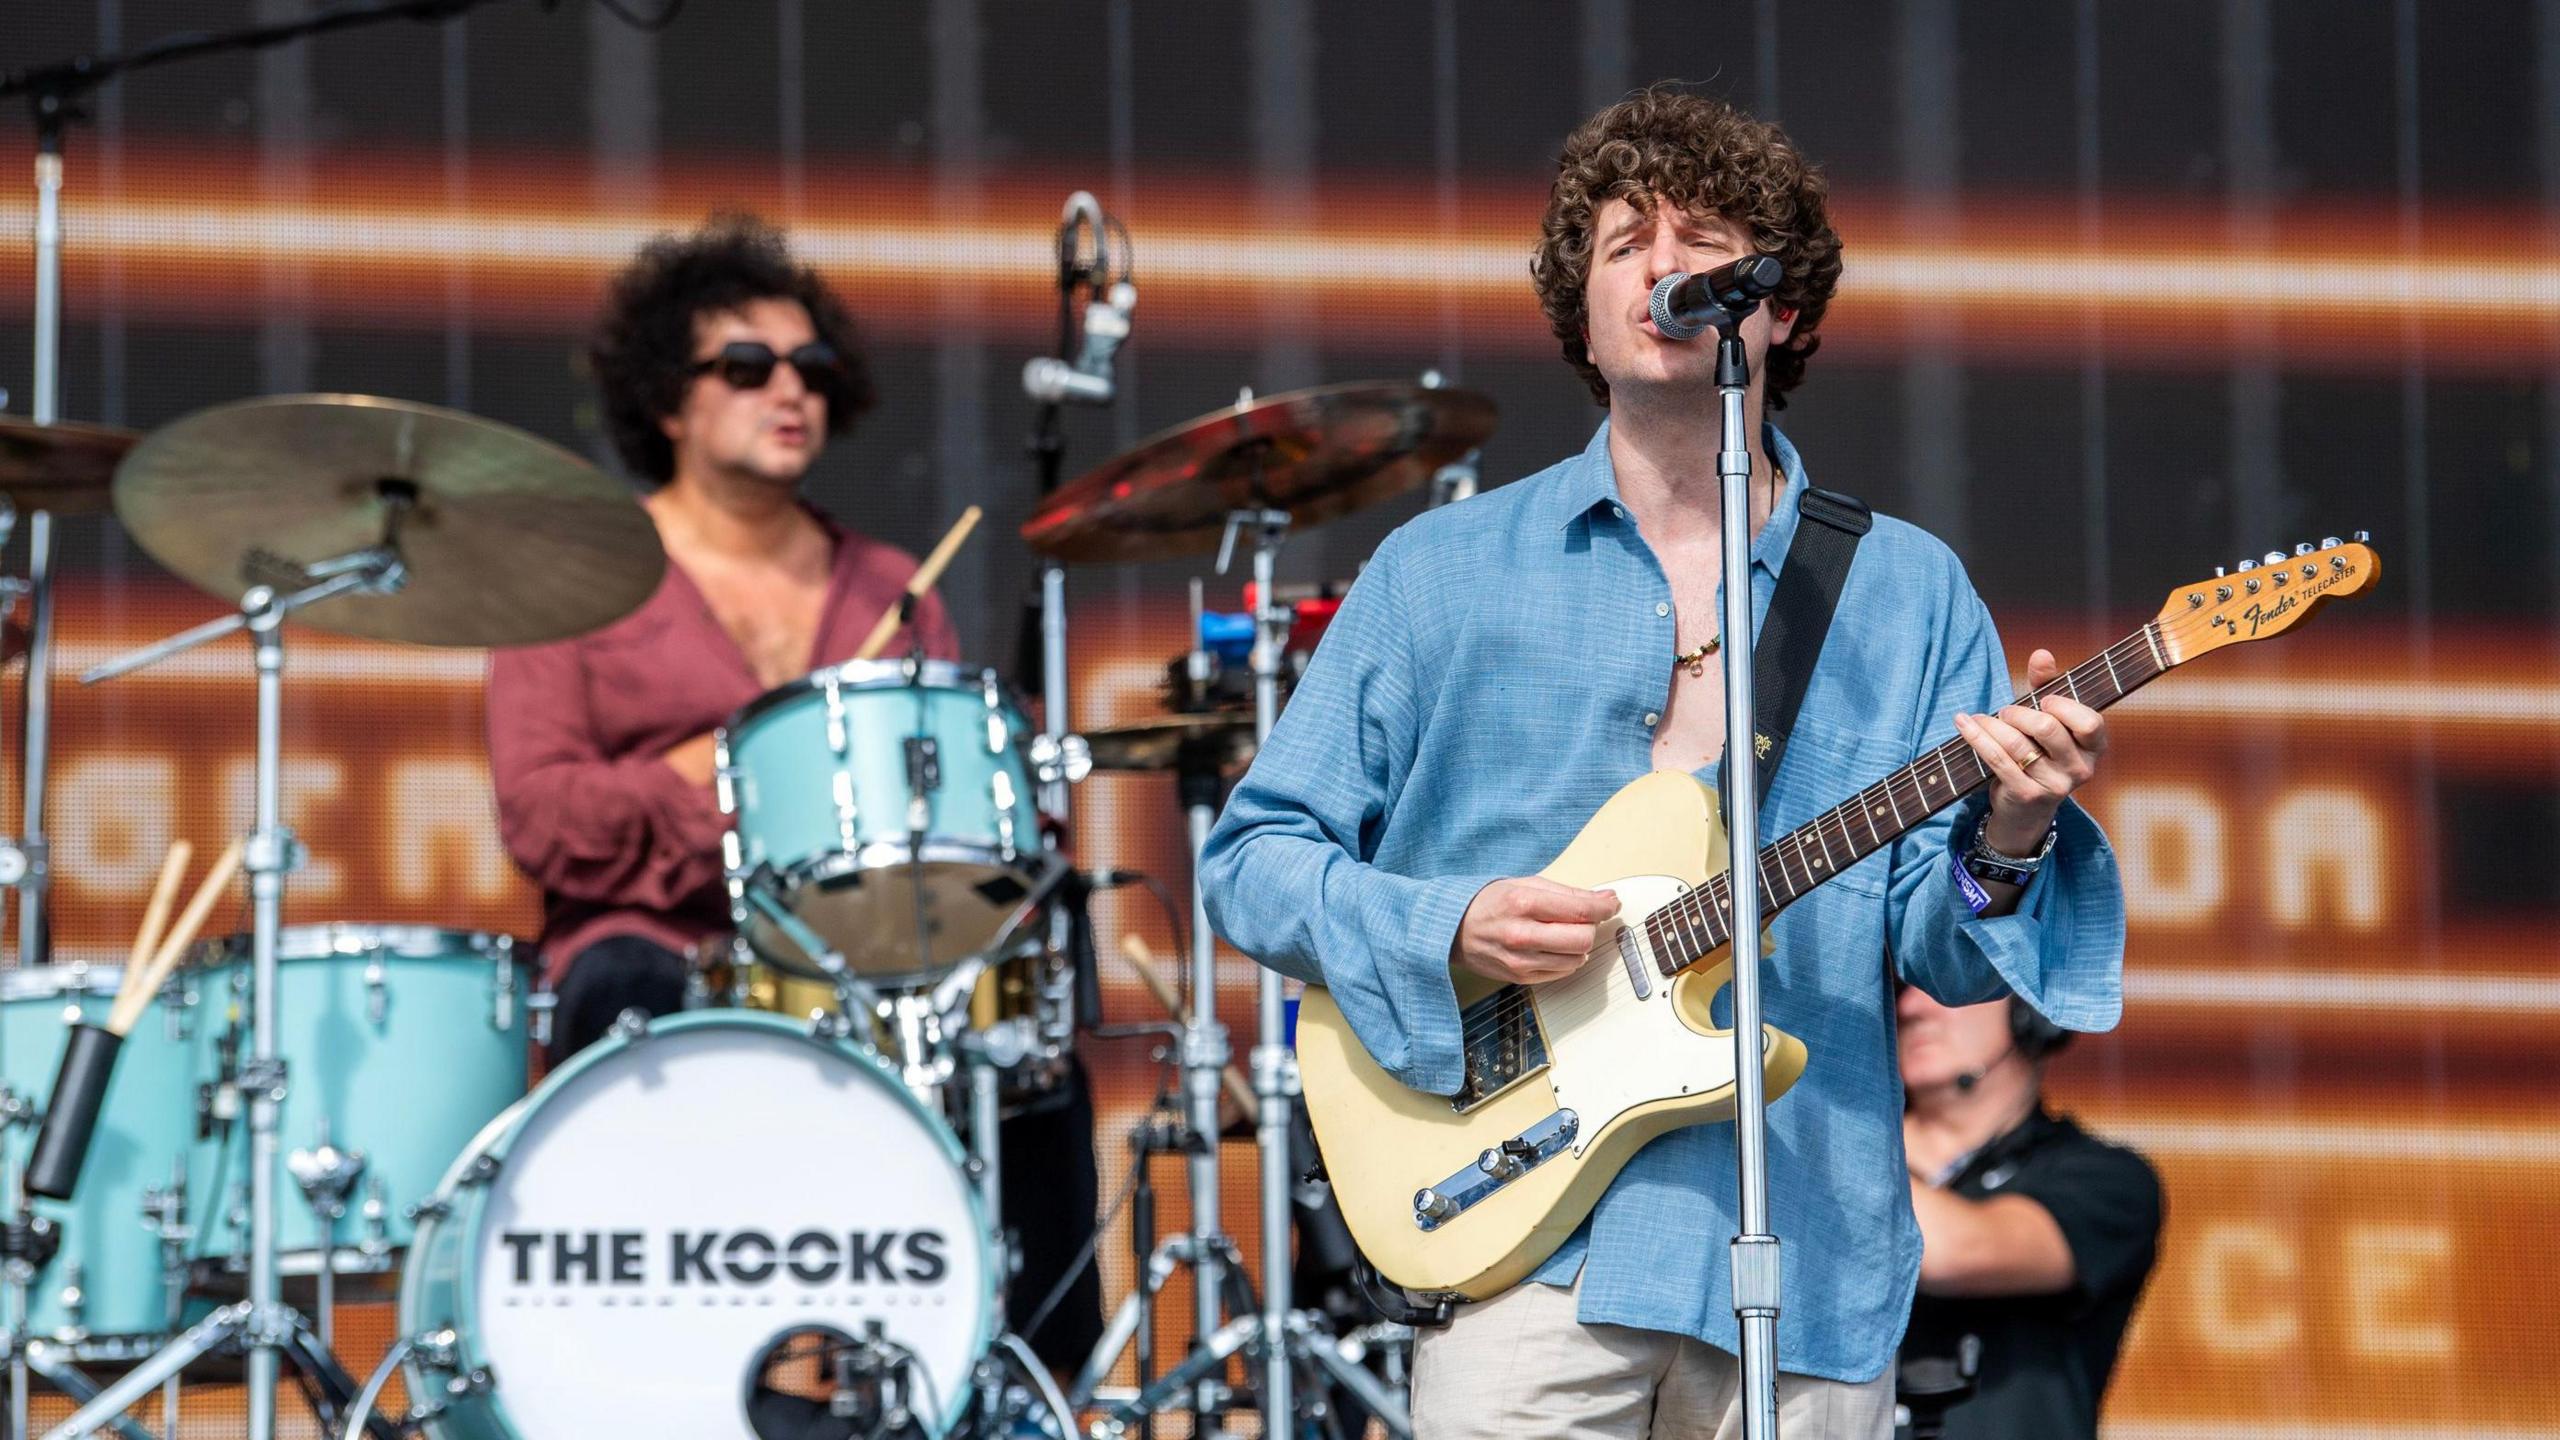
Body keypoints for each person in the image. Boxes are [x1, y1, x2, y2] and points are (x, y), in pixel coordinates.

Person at [1200, 88, 2127, 1439]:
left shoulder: (1908, 590)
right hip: (1519, 1255)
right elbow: (1251, 863)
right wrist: (1447, 923)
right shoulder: (1440, 573)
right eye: (1624, 243)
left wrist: (2014, 832)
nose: (1661, 267)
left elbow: (1945, 954)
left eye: (1705, 243)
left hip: (1803, 1259)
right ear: (1581, 311)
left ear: (1779, 307)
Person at [484, 213, 1100, 1367]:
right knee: (620, 985)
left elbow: (955, 804)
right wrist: (713, 791)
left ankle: (1035, 1384)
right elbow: (541, 816)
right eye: (746, 365)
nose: (789, 390)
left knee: (1026, 1005)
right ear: (667, 399)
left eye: (811, 368)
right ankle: (643, 1375)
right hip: (660, 945)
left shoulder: (890, 586)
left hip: (872, 964)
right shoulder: (574, 581)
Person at [1896, 987, 2162, 1440]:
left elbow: (1957, 1251)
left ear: (2031, 1010)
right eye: (1903, 988)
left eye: (1946, 984)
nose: (1911, 1007)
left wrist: (1831, 1134)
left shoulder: (2105, 1180)